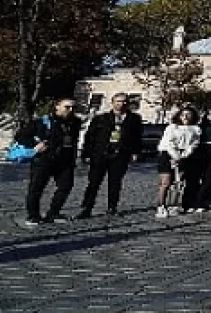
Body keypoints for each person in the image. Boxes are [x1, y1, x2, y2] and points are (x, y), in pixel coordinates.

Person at [17, 99, 81, 227]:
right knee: (36, 188)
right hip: (43, 160)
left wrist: (74, 158)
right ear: (57, 106)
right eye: (67, 107)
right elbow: (20, 136)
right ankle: (33, 215)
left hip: (64, 161)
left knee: (66, 186)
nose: (71, 110)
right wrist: (35, 145)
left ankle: (53, 212)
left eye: (73, 108)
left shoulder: (75, 122)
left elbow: (73, 141)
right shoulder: (42, 122)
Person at [77, 93, 143, 219]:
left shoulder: (134, 119)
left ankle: (112, 207)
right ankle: (86, 208)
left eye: (124, 101)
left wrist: (135, 152)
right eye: (118, 101)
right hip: (100, 154)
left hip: (120, 155)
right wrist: (86, 154)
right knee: (94, 183)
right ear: (112, 102)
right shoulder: (101, 118)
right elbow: (90, 137)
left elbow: (137, 137)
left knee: (115, 183)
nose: (121, 104)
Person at [156, 107, 201, 218]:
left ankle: (173, 205)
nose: (185, 117)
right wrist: (175, 156)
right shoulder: (172, 127)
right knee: (166, 182)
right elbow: (168, 143)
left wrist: (183, 156)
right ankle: (161, 205)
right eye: (183, 114)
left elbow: (193, 144)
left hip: (183, 156)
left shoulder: (195, 129)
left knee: (178, 182)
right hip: (167, 154)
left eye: (188, 114)